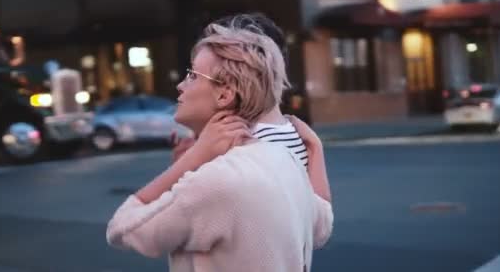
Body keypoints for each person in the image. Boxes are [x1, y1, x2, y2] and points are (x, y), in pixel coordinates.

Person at [107, 22, 333, 271]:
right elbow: (320, 226)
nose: (180, 85)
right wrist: (315, 148)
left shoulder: (216, 180)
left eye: (192, 75)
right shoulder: (283, 159)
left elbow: (123, 228)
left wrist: (193, 158)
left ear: (225, 95)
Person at [172, 13, 331, 204]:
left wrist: (185, 169)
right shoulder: (295, 136)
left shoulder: (239, 148)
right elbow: (315, 221)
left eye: (194, 74)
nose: (181, 85)